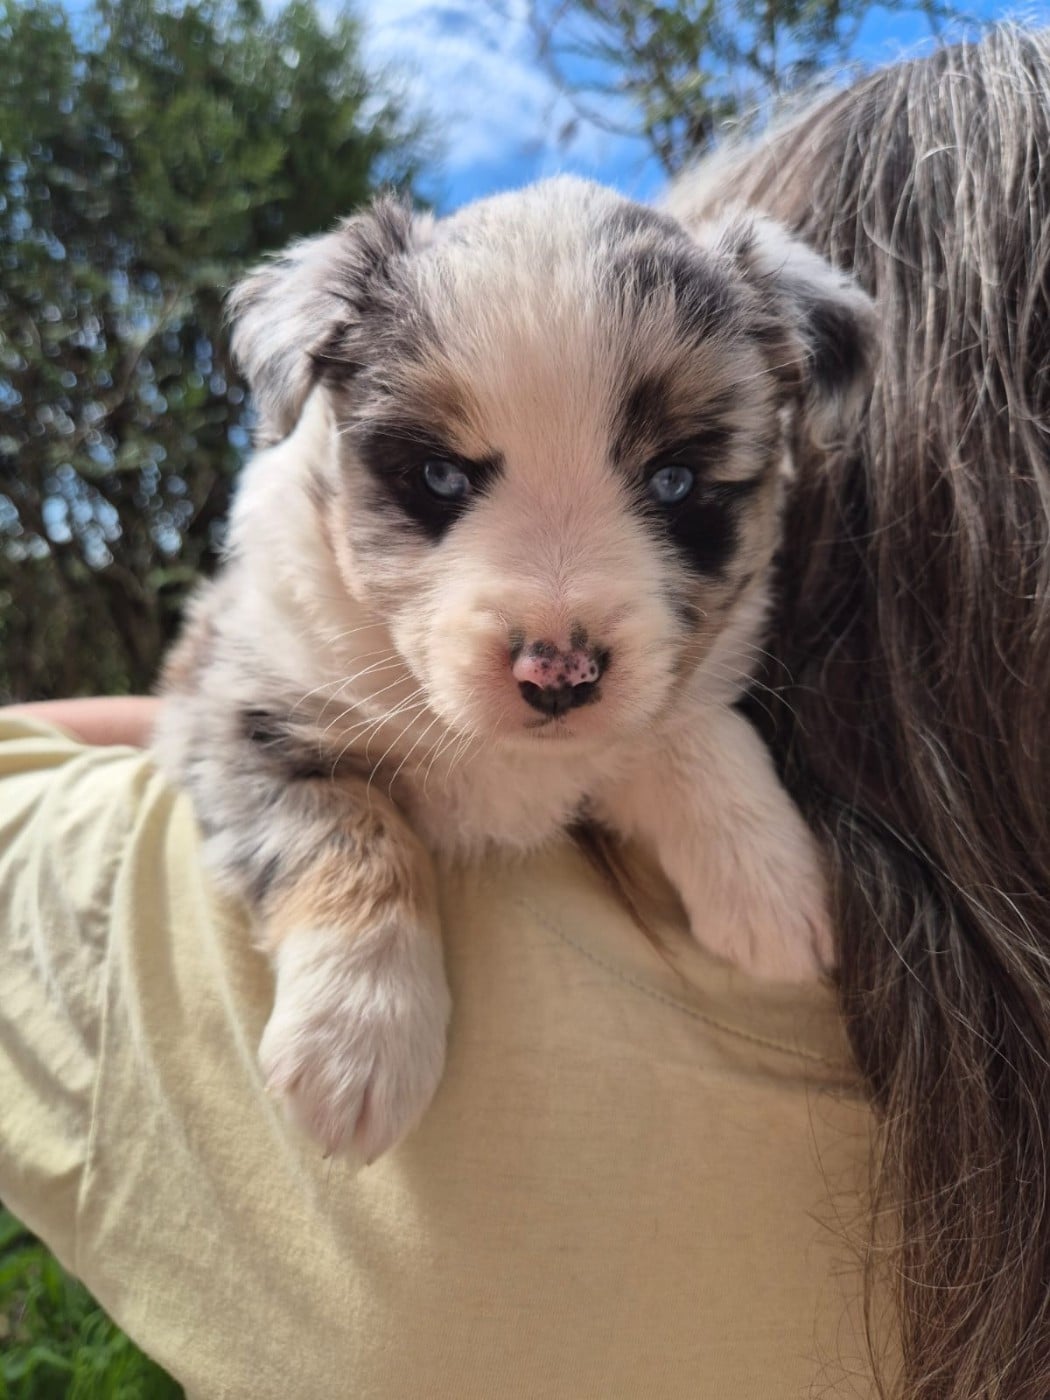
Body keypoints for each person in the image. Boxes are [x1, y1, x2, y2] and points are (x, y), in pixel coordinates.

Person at [2, 25, 1048, 1399]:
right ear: (323, 417)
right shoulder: (302, 617)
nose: (557, 637)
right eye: (440, 482)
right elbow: (231, 736)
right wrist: (355, 916)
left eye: (673, 487)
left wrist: (692, 755)